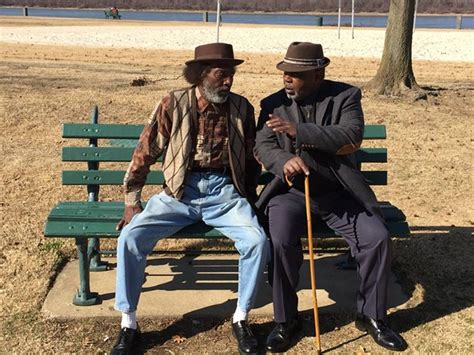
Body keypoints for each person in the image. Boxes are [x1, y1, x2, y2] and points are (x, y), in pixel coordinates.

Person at [110, 42, 269, 355]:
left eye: (231, 75)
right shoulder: (174, 102)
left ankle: (241, 318)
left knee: (256, 241)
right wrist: (132, 201)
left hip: (225, 193)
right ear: (200, 75)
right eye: (221, 75)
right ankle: (128, 323)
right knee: (130, 238)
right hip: (179, 193)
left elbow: (251, 161)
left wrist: (251, 200)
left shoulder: (241, 107)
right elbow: (146, 150)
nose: (229, 81)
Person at [254, 42, 408, 352]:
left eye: (295, 74)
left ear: (317, 74)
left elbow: (351, 136)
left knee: (376, 238)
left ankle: (371, 315)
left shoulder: (346, 97)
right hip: (291, 193)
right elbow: (263, 146)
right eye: (285, 72)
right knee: (280, 240)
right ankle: (286, 320)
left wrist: (300, 132)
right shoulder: (272, 104)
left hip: (340, 193)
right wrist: (283, 161)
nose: (287, 79)